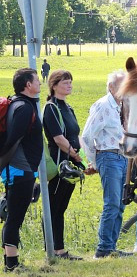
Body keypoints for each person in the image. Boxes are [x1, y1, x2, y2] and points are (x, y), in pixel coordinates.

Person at [82, 70, 133, 259]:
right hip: (109, 156)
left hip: (123, 158)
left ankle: (111, 246)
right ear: (111, 87)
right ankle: (103, 248)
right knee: (112, 203)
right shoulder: (103, 105)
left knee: (120, 204)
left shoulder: (124, 106)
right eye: (121, 85)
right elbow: (87, 136)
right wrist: (94, 161)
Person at [42, 70, 87, 260]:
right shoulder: (51, 108)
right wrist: (75, 156)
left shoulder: (68, 108)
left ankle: (59, 249)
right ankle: (52, 249)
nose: (69, 85)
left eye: (70, 82)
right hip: (59, 164)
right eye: (65, 82)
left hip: (71, 163)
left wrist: (84, 159)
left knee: (61, 207)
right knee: (53, 207)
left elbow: (75, 135)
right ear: (54, 85)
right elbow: (58, 138)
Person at [2, 69, 43, 272]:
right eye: (37, 80)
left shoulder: (18, 104)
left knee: (14, 215)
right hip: (19, 169)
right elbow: (13, 138)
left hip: (20, 169)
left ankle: (10, 260)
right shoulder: (24, 108)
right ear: (28, 85)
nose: (40, 83)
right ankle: (12, 263)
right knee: (15, 216)